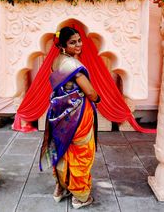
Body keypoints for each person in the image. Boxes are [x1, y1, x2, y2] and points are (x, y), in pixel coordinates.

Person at [39, 26, 101, 209]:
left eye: (79, 40)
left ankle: (60, 188)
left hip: (58, 114)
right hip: (77, 116)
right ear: (63, 45)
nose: (78, 45)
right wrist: (97, 99)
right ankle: (80, 196)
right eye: (73, 42)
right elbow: (89, 91)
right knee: (80, 152)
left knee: (61, 149)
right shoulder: (75, 67)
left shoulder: (57, 61)